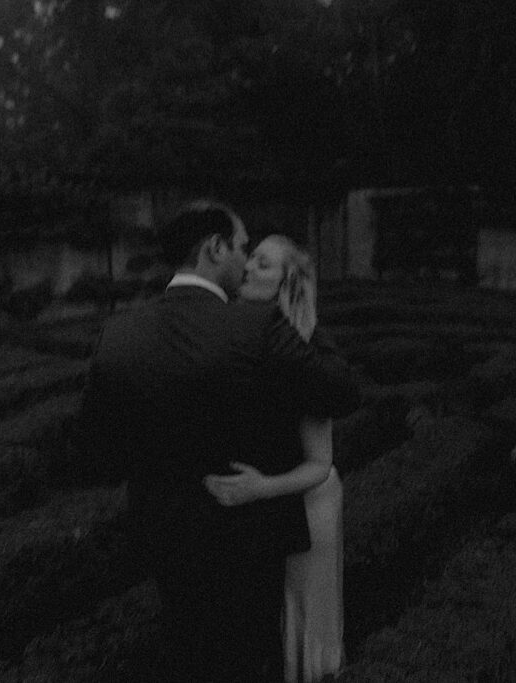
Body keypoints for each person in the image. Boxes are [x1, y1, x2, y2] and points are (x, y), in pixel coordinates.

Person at [75, 201, 360, 681]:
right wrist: (308, 320)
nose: (246, 258)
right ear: (215, 248)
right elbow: (344, 393)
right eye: (242, 245)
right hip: (243, 536)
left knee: (187, 652)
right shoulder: (255, 327)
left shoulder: (118, 333)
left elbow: (95, 455)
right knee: (243, 657)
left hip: (163, 531)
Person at [203, 235, 345, 683]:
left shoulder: (306, 352)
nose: (247, 269)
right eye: (252, 260)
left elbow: (320, 462)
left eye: (263, 265)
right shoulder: (243, 334)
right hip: (263, 505)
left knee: (298, 618)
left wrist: (260, 487)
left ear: (288, 283)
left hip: (305, 502)